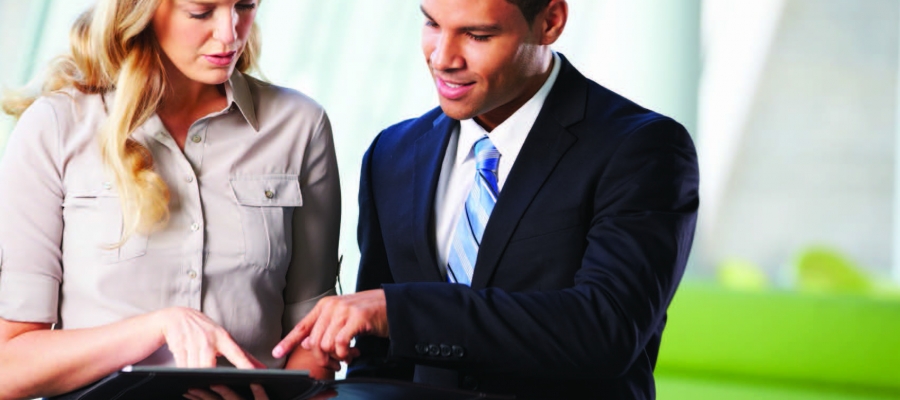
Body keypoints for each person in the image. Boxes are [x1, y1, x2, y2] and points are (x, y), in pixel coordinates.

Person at [274, 0, 698, 398]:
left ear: (550, 22)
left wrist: (400, 311)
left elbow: (606, 329)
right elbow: (381, 360)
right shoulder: (393, 153)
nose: (443, 58)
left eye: (477, 35)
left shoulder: (641, 148)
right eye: (432, 23)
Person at [0, 0, 341, 398]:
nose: (230, 33)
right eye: (201, 11)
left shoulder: (300, 126)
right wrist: (157, 327)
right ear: (139, 9)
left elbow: (312, 335)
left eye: (245, 6)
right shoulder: (57, 126)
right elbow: (9, 366)